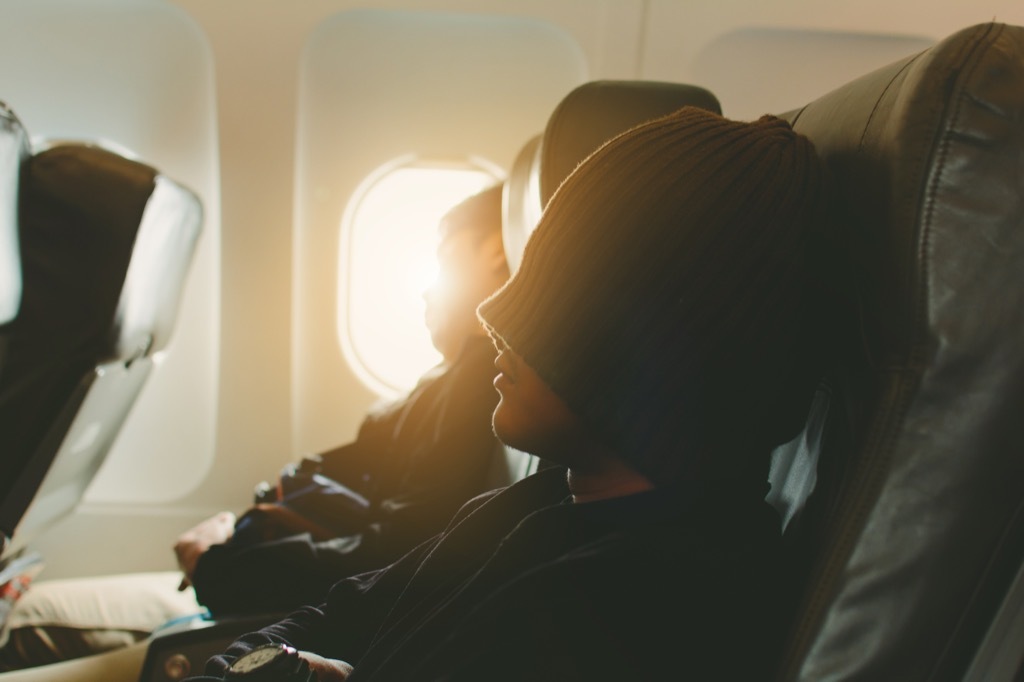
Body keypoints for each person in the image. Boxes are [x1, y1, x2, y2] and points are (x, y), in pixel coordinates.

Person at [182, 106, 839, 681]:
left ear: (655, 337)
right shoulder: (541, 504)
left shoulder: (638, 603)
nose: (495, 315)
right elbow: (340, 609)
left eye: (553, 296)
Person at [0, 182, 514, 670]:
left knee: (18, 627)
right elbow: (345, 480)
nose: (427, 291)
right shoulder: (445, 380)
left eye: (445, 257)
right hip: (255, 586)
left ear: (496, 250)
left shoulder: (479, 390)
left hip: (268, 619)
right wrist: (241, 530)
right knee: (26, 612)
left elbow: (395, 553)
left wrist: (218, 568)